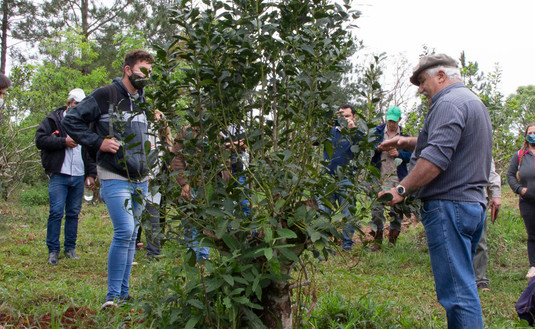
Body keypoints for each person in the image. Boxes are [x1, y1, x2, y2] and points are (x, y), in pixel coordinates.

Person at [378, 54, 492, 329]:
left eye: (422, 80)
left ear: (441, 75)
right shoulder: (471, 102)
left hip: (449, 205)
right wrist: (408, 142)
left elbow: (435, 158)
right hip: (471, 204)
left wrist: (401, 189)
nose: (419, 88)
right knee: (465, 287)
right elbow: (450, 140)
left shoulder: (447, 103)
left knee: (456, 294)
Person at [62, 49, 154, 308]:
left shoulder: (144, 100)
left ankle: (124, 294)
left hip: (140, 177)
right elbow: (71, 121)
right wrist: (98, 142)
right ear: (128, 70)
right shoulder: (106, 95)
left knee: (133, 232)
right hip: (113, 173)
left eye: (150, 72)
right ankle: (112, 296)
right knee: (124, 230)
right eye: (142, 71)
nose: (147, 76)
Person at [35, 89, 96, 265]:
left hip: (78, 175)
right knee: (55, 212)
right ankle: (53, 250)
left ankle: (70, 248)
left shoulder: (86, 123)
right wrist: (63, 142)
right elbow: (40, 140)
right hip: (59, 174)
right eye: (76, 104)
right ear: (69, 103)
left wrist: (91, 174)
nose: (79, 107)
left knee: (73, 213)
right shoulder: (54, 119)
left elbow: (90, 151)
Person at [369, 106, 412, 250]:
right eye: (389, 120)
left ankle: (392, 241)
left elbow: (412, 156)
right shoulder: (377, 132)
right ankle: (377, 241)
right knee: (376, 210)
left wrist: (399, 154)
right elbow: (368, 147)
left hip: (396, 179)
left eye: (394, 121)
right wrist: (378, 148)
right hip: (378, 177)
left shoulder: (405, 136)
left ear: (399, 120)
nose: (391, 123)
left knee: (396, 211)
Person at [319, 104, 360, 251]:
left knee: (348, 213)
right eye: (340, 116)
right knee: (323, 211)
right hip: (328, 178)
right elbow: (314, 140)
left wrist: (353, 131)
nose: (343, 119)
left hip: (347, 179)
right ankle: (323, 244)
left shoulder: (356, 134)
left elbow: (365, 145)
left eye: (347, 116)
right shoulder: (329, 132)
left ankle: (347, 245)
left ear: (353, 117)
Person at [507, 122, 535, 279]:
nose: (532, 135)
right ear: (526, 135)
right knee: (533, 234)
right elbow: (510, 175)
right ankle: (534, 266)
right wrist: (519, 189)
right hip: (528, 201)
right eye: (530, 132)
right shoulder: (520, 155)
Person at [474, 160, 501, 291]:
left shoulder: (482, 141)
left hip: (477, 198)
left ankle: (480, 279)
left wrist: (495, 195)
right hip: (453, 196)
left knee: (480, 241)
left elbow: (490, 171)